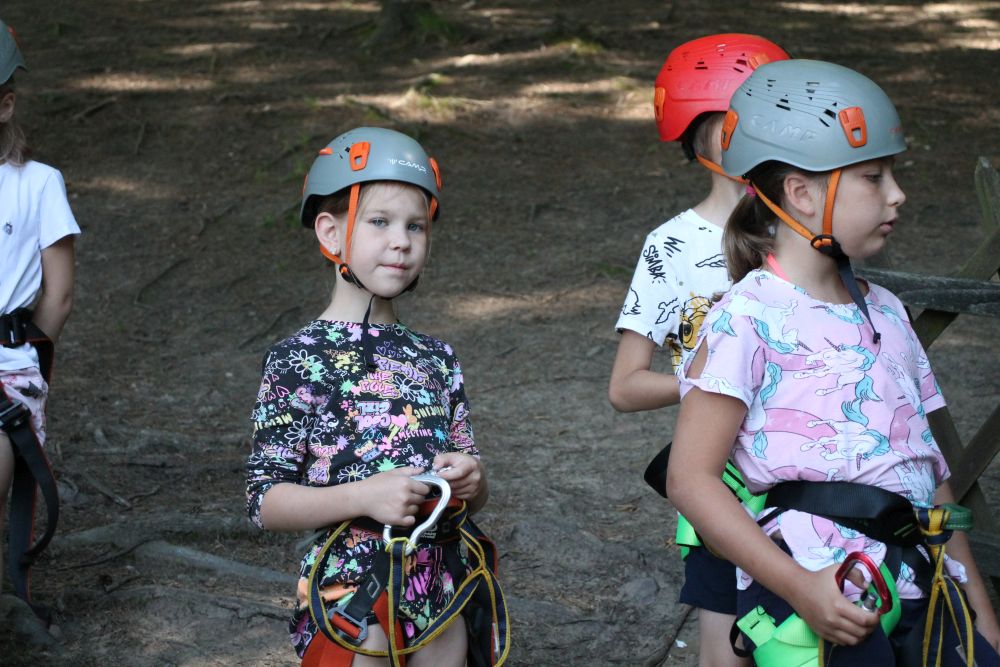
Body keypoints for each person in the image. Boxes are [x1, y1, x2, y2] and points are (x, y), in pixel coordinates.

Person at [667, 58, 1000, 665]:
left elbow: (928, 471)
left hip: (921, 587)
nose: (897, 193)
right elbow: (691, 479)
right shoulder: (746, 318)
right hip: (821, 595)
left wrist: (979, 610)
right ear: (800, 192)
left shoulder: (889, 313)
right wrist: (799, 588)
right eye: (873, 177)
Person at [246, 127, 506, 667]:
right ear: (331, 232)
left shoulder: (437, 357)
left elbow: (470, 487)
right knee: (368, 647)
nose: (402, 241)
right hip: (348, 592)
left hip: (440, 584)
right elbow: (264, 501)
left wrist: (472, 481)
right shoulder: (297, 359)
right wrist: (363, 496)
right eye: (380, 221)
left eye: (416, 225)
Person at [608, 34, 789, 666]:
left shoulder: (810, 229)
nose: (753, 134)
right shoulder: (672, 246)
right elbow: (626, 386)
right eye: (736, 119)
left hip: (814, 478)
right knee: (726, 643)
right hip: (721, 481)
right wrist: (708, 382)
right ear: (696, 133)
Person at [0, 16, 78, 610]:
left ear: (5, 105)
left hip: (5, 373)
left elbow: (59, 294)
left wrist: (21, 354)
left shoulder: (38, 183)